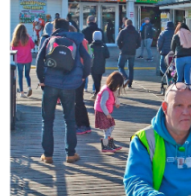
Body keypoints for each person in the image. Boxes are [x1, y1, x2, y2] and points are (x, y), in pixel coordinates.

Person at [35, 18, 91, 164]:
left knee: (47, 121)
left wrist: (41, 79)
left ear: (54, 28)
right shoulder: (76, 40)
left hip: (50, 84)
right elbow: (88, 59)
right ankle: (70, 154)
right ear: (68, 28)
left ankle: (47, 155)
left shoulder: (49, 40)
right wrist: (83, 76)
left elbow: (39, 60)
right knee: (70, 120)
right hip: (69, 86)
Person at [95, 71, 125, 152]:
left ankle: (109, 144)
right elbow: (102, 103)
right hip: (102, 112)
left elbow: (114, 97)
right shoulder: (106, 91)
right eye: (118, 85)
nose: (118, 87)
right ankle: (106, 145)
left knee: (107, 128)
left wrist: (116, 102)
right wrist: (107, 114)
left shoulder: (111, 89)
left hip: (104, 111)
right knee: (111, 125)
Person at [11, 24, 35, 97]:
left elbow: (12, 49)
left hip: (19, 60)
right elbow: (32, 46)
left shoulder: (15, 39)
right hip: (28, 59)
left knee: (20, 76)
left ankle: (21, 92)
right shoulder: (28, 38)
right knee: (27, 75)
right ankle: (29, 87)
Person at [116, 19, 141, 88]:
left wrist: (121, 47)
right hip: (132, 52)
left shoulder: (123, 32)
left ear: (125, 24)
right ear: (132, 24)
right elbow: (139, 43)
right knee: (131, 68)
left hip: (124, 51)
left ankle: (126, 78)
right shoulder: (136, 32)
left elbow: (118, 41)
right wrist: (134, 47)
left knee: (120, 66)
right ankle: (130, 83)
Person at [156, 21, 176, 88]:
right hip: (174, 54)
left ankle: (168, 76)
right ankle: (172, 78)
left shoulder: (163, 33)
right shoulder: (175, 33)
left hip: (165, 54)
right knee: (173, 68)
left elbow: (159, 43)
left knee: (162, 67)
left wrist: (159, 50)